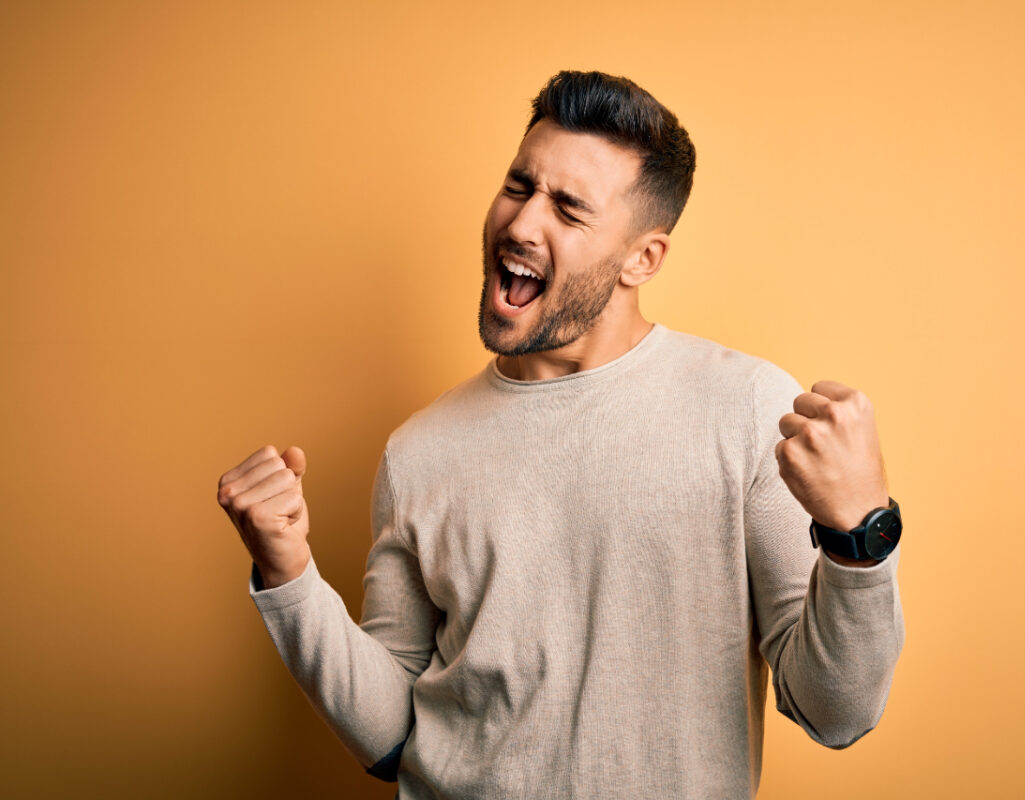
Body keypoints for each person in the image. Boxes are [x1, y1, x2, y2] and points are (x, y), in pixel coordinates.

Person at [216, 70, 905, 800]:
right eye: (519, 186)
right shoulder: (418, 451)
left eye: (569, 210)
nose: (520, 224)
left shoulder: (746, 410)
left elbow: (837, 711)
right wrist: (289, 576)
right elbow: (392, 734)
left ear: (643, 258)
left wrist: (858, 533)